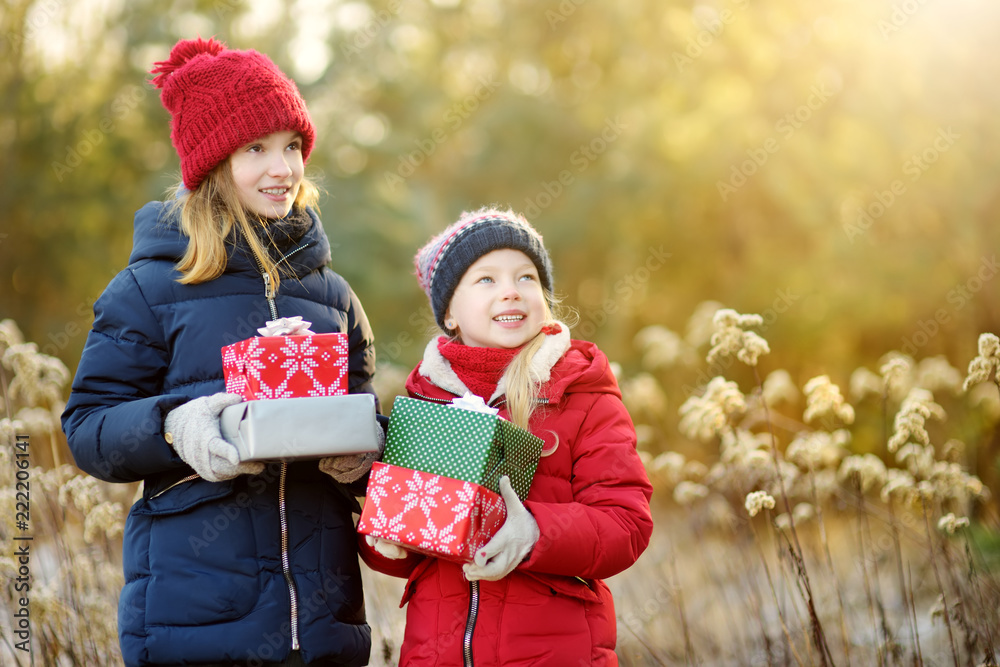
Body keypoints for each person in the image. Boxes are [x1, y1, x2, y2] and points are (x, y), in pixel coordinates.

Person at [62, 37, 379, 666]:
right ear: (212, 164)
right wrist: (177, 424)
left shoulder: (333, 296)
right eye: (255, 148)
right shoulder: (150, 289)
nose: (282, 168)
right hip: (194, 627)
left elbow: (366, 424)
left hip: (323, 630)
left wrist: (358, 455)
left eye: (292, 146)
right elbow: (88, 428)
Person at [360, 207, 654, 666]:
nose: (511, 292)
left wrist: (535, 532)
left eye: (527, 277)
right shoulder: (424, 402)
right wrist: (389, 537)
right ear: (450, 314)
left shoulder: (582, 396)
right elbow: (401, 560)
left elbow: (626, 524)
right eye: (487, 280)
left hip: (555, 652)